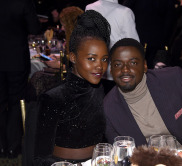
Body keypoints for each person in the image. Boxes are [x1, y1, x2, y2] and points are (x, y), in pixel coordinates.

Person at [33, 10, 111, 165]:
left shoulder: (105, 91)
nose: (99, 66)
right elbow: (41, 156)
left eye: (104, 59)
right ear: (73, 57)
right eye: (91, 59)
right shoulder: (54, 98)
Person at [0, 0, 40, 158]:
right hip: (16, 57)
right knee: (16, 101)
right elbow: (34, 28)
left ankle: (2, 146)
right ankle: (13, 146)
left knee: (1, 102)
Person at [85, 0, 140, 81]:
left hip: (94, 69)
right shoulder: (125, 12)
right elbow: (134, 46)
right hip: (116, 71)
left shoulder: (90, 8)